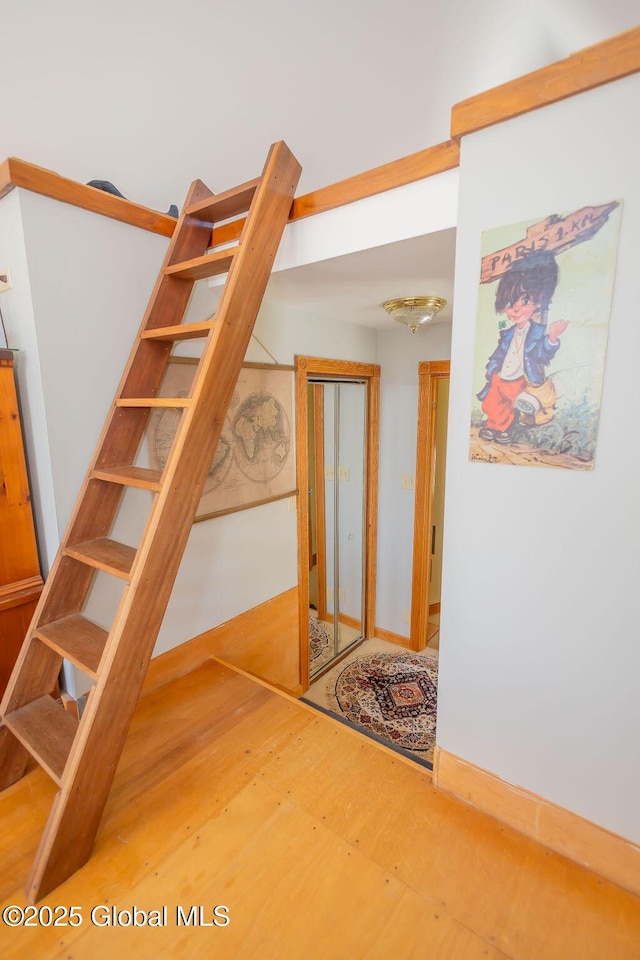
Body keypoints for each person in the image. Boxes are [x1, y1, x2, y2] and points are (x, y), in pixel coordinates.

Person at [477, 252, 568, 443]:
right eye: (510, 304)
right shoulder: (508, 333)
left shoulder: (536, 332)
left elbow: (541, 354)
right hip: (500, 375)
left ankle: (506, 429)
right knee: (493, 403)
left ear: (538, 303)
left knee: (512, 404)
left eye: (524, 301)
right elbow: (500, 351)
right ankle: (493, 425)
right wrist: (492, 367)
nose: (516, 309)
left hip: (519, 378)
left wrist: (552, 338)